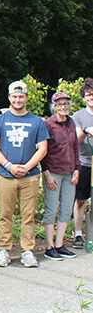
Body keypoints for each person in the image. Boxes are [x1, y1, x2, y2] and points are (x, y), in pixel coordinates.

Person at [0, 81, 49, 268]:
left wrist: (27, 166)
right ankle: (4, 250)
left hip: (29, 176)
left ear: (26, 98)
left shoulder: (37, 121)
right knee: (5, 214)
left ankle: (27, 251)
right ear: (9, 97)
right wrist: (9, 165)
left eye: (21, 96)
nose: (17, 99)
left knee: (28, 215)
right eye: (14, 96)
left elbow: (43, 148)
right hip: (6, 175)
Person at [41, 92, 79, 260]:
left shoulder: (71, 123)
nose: (63, 107)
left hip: (70, 172)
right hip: (53, 172)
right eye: (59, 104)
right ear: (54, 107)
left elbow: (75, 147)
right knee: (51, 209)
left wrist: (77, 169)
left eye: (66, 104)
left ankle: (60, 244)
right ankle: (49, 247)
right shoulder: (48, 124)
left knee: (66, 209)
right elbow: (42, 151)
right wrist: (47, 174)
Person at [72, 77, 93, 249]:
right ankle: (78, 234)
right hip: (85, 163)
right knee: (81, 200)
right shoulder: (78, 116)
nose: (90, 97)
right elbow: (76, 140)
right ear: (84, 97)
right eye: (88, 95)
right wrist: (86, 131)